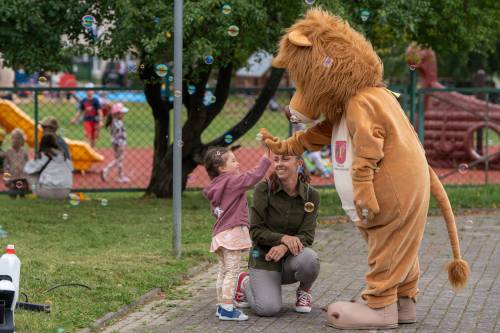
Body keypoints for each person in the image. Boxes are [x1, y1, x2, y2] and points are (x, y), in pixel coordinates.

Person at [233, 153, 321, 317]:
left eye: (285, 159)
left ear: (299, 163)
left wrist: (284, 246)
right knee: (268, 309)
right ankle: (245, 282)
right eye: (277, 160)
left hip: (291, 260)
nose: (279, 164)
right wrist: (283, 238)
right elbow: (255, 231)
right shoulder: (263, 189)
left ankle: (304, 292)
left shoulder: (311, 195)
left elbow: (307, 236)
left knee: (310, 260)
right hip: (265, 259)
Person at [203, 145, 271, 321]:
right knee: (232, 272)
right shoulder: (232, 181)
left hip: (219, 235)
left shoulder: (215, 185)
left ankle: (221, 305)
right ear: (222, 168)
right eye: (233, 160)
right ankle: (227, 309)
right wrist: (266, 157)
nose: (237, 162)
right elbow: (253, 177)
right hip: (232, 234)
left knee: (223, 271)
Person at [24, 133, 73, 200]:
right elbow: (71, 168)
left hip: (47, 193)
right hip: (65, 192)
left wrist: (33, 160)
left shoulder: (43, 155)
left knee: (31, 174)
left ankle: (34, 193)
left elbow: (27, 169)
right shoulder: (63, 155)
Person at [101, 103, 130, 183]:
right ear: (117, 114)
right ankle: (106, 170)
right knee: (119, 160)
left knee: (119, 159)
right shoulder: (118, 123)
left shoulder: (113, 121)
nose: (124, 114)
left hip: (114, 142)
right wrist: (121, 145)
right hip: (119, 143)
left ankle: (120, 176)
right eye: (122, 112)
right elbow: (120, 135)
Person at [71, 83, 103, 147]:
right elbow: (80, 111)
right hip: (87, 120)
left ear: (93, 91)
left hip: (95, 121)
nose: (89, 92)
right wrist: (74, 119)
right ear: (85, 91)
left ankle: (92, 149)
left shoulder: (95, 100)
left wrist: (101, 121)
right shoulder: (84, 101)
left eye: (91, 90)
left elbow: (100, 111)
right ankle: (87, 149)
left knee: (94, 137)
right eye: (87, 90)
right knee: (87, 135)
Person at [3, 129, 29, 198]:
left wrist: (28, 178)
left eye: (17, 138)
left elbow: (28, 166)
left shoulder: (24, 152)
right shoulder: (8, 152)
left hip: (22, 178)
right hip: (12, 178)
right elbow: (6, 167)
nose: (15, 140)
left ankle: (23, 203)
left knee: (22, 193)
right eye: (13, 138)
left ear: (22, 141)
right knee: (12, 194)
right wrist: (6, 179)